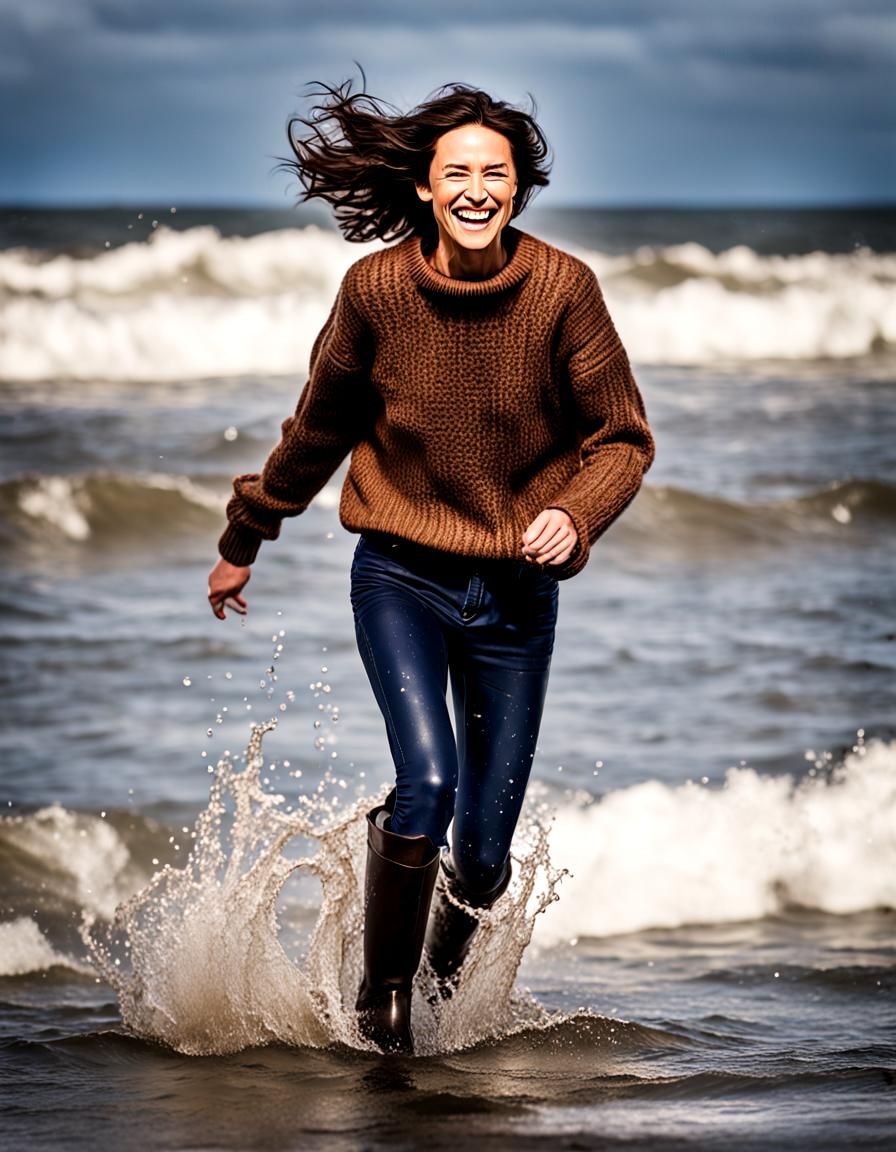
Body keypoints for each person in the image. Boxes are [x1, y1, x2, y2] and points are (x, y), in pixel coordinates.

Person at [207, 76, 655, 1055]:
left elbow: (621, 437)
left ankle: (442, 999)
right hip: (400, 578)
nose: (475, 189)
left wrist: (573, 515)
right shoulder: (374, 291)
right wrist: (246, 534)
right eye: (456, 172)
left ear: (517, 188)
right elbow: (318, 427)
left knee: (483, 857)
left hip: (515, 597)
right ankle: (385, 1007)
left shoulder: (563, 290)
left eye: (494, 173)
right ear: (423, 185)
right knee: (426, 783)